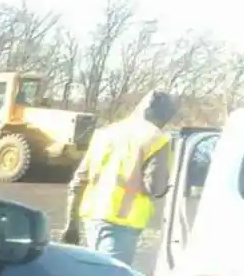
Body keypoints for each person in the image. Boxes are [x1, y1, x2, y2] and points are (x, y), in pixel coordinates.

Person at [61, 90, 179, 265]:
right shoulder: (157, 139)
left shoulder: (106, 133)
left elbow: (79, 180)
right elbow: (155, 187)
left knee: (95, 273)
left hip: (91, 216)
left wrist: (71, 224)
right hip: (123, 221)